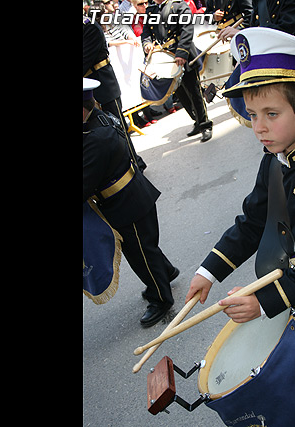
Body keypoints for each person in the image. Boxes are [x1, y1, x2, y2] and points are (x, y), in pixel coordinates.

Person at [184, 28, 295, 399]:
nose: (259, 127)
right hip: (294, 299)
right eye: (252, 114)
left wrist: (263, 301)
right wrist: (209, 270)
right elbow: (252, 222)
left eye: (271, 113)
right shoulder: (274, 161)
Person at [83, 78, 179, 327]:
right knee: (146, 244)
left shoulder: (95, 138)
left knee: (140, 253)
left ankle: (160, 297)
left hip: (125, 202)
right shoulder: (99, 118)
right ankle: (166, 272)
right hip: (132, 194)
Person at [84, 6, 147, 170]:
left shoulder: (89, 26)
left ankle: (136, 166)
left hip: (104, 85)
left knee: (119, 129)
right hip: (91, 87)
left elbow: (85, 59)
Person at [141, 0, 213, 142]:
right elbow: (146, 32)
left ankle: (205, 124)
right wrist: (147, 43)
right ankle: (196, 120)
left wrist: (181, 53)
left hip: (182, 53)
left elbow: (187, 28)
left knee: (194, 91)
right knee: (180, 93)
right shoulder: (151, 10)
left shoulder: (180, 5)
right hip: (166, 57)